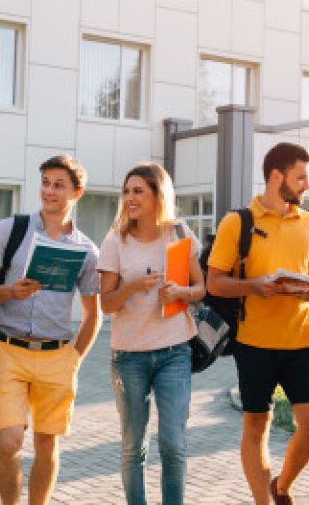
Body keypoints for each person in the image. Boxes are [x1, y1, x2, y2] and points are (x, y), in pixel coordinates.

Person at [0, 155, 102, 505]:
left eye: (59, 185)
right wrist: (9, 292)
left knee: (47, 443)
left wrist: (74, 357)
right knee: (10, 441)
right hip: (8, 350)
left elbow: (93, 313)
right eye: (45, 182)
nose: (49, 191)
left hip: (57, 355)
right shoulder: (9, 230)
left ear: (77, 192)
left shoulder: (87, 250)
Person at [206, 142, 309, 505]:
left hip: (301, 341)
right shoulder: (238, 222)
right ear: (277, 176)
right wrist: (253, 287)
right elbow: (214, 282)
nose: (306, 185)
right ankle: (263, 501)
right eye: (301, 177)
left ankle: (283, 486)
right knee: (256, 425)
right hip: (254, 343)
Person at [98, 162, 206, 505]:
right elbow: (106, 304)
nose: (130, 198)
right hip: (129, 356)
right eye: (127, 191)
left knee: (173, 444)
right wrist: (130, 286)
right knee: (133, 448)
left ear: (158, 195)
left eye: (138, 191)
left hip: (175, 351)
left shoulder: (180, 232)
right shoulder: (116, 239)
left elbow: (201, 288)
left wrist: (182, 293)